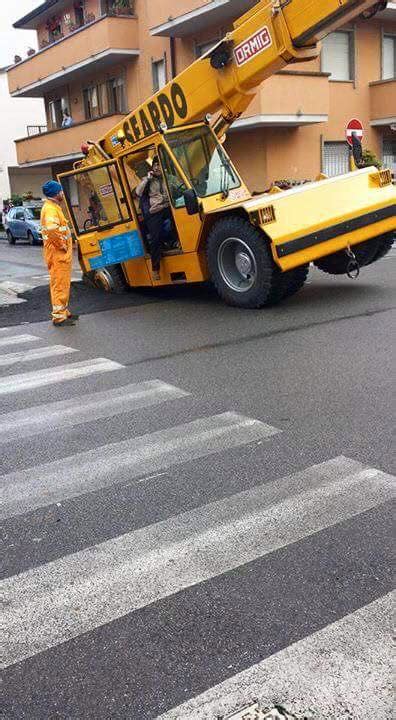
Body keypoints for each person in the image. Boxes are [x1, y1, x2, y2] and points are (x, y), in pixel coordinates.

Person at [40, 180, 78, 327]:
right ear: (56, 193)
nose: (63, 192)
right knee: (59, 284)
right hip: (57, 253)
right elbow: (52, 230)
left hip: (58, 253)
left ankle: (63, 311)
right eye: (61, 191)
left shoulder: (53, 207)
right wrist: (62, 245)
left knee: (62, 283)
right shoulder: (50, 209)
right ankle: (58, 316)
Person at [136, 156, 178, 281]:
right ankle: (155, 269)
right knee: (155, 239)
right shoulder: (148, 180)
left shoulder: (168, 178)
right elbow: (138, 192)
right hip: (155, 211)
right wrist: (147, 179)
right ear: (152, 167)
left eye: (159, 164)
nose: (157, 167)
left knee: (180, 212)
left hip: (168, 207)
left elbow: (179, 184)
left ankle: (176, 241)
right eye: (155, 165)